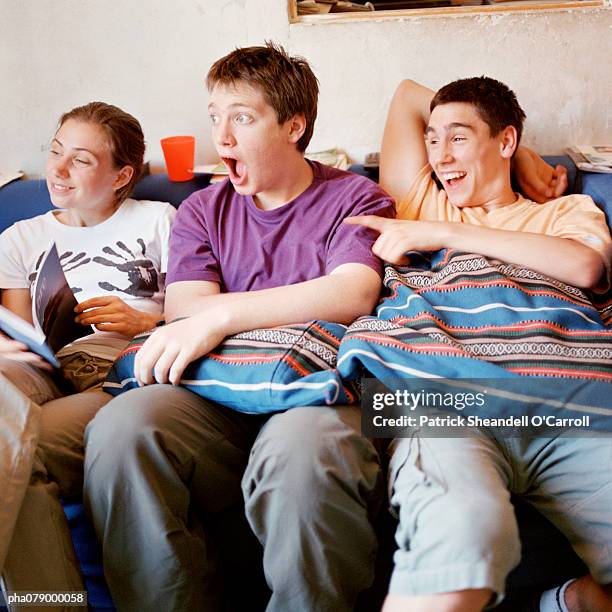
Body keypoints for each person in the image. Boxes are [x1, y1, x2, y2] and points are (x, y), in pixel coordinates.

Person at [82, 43, 395, 612]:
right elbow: (183, 306)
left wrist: (225, 313)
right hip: (218, 393)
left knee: (303, 458)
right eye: (214, 117)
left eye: (242, 118)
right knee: (121, 429)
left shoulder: (357, 196)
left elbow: (352, 292)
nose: (221, 138)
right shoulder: (203, 208)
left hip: (318, 391)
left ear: (294, 127)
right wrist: (210, 315)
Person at [347, 77, 612, 611]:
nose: (442, 156)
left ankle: (570, 602)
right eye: (434, 139)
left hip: (568, 405)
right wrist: (513, 149)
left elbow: (584, 266)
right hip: (447, 402)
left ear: (505, 141)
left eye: (459, 139)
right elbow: (403, 95)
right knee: (463, 531)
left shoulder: (566, 212)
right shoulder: (419, 198)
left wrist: (445, 234)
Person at [0, 102, 175, 601]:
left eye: (80, 159)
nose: (56, 170)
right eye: (55, 152)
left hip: (113, 370)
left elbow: (191, 313)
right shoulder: (21, 237)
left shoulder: (160, 220)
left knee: (19, 448)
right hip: (40, 368)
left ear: (123, 174)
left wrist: (145, 321)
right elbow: (20, 333)